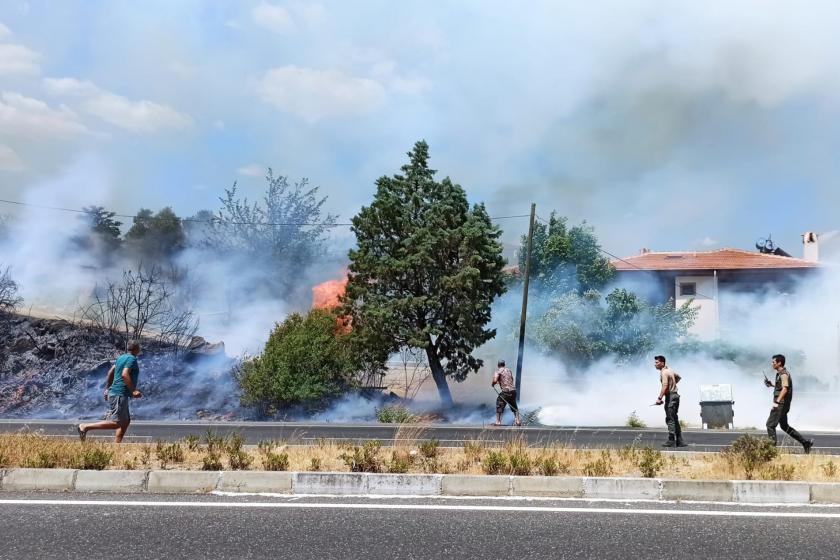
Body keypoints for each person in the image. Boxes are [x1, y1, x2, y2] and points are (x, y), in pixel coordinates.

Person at [78, 341, 143, 443]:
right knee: (117, 423)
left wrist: (108, 389)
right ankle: (85, 427)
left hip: (117, 393)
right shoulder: (132, 359)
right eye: (139, 348)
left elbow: (110, 372)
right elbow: (124, 374)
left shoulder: (121, 358)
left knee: (125, 422)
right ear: (136, 349)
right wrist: (133, 391)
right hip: (119, 393)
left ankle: (117, 446)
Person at [765, 354, 813, 454]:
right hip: (782, 404)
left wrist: (777, 402)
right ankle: (805, 443)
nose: (772, 364)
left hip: (780, 404)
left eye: (774, 362)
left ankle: (771, 451)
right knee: (784, 426)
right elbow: (781, 386)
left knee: (770, 425)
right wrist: (771, 385)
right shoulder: (780, 373)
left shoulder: (783, 374)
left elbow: (785, 389)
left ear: (779, 363)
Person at [654, 355, 686, 447]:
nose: (655, 364)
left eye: (657, 362)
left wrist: (659, 398)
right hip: (675, 396)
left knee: (670, 418)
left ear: (662, 363)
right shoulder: (670, 370)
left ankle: (671, 440)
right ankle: (680, 441)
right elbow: (678, 377)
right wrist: (673, 385)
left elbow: (664, 386)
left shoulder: (664, 372)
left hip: (671, 396)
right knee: (674, 418)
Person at [491, 359, 521, 426]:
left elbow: (495, 380)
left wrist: (493, 384)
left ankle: (498, 422)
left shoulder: (498, 371)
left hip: (506, 391)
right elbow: (511, 380)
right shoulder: (509, 370)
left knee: (499, 402)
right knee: (514, 405)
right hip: (513, 391)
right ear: (504, 364)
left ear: (498, 365)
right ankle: (518, 421)